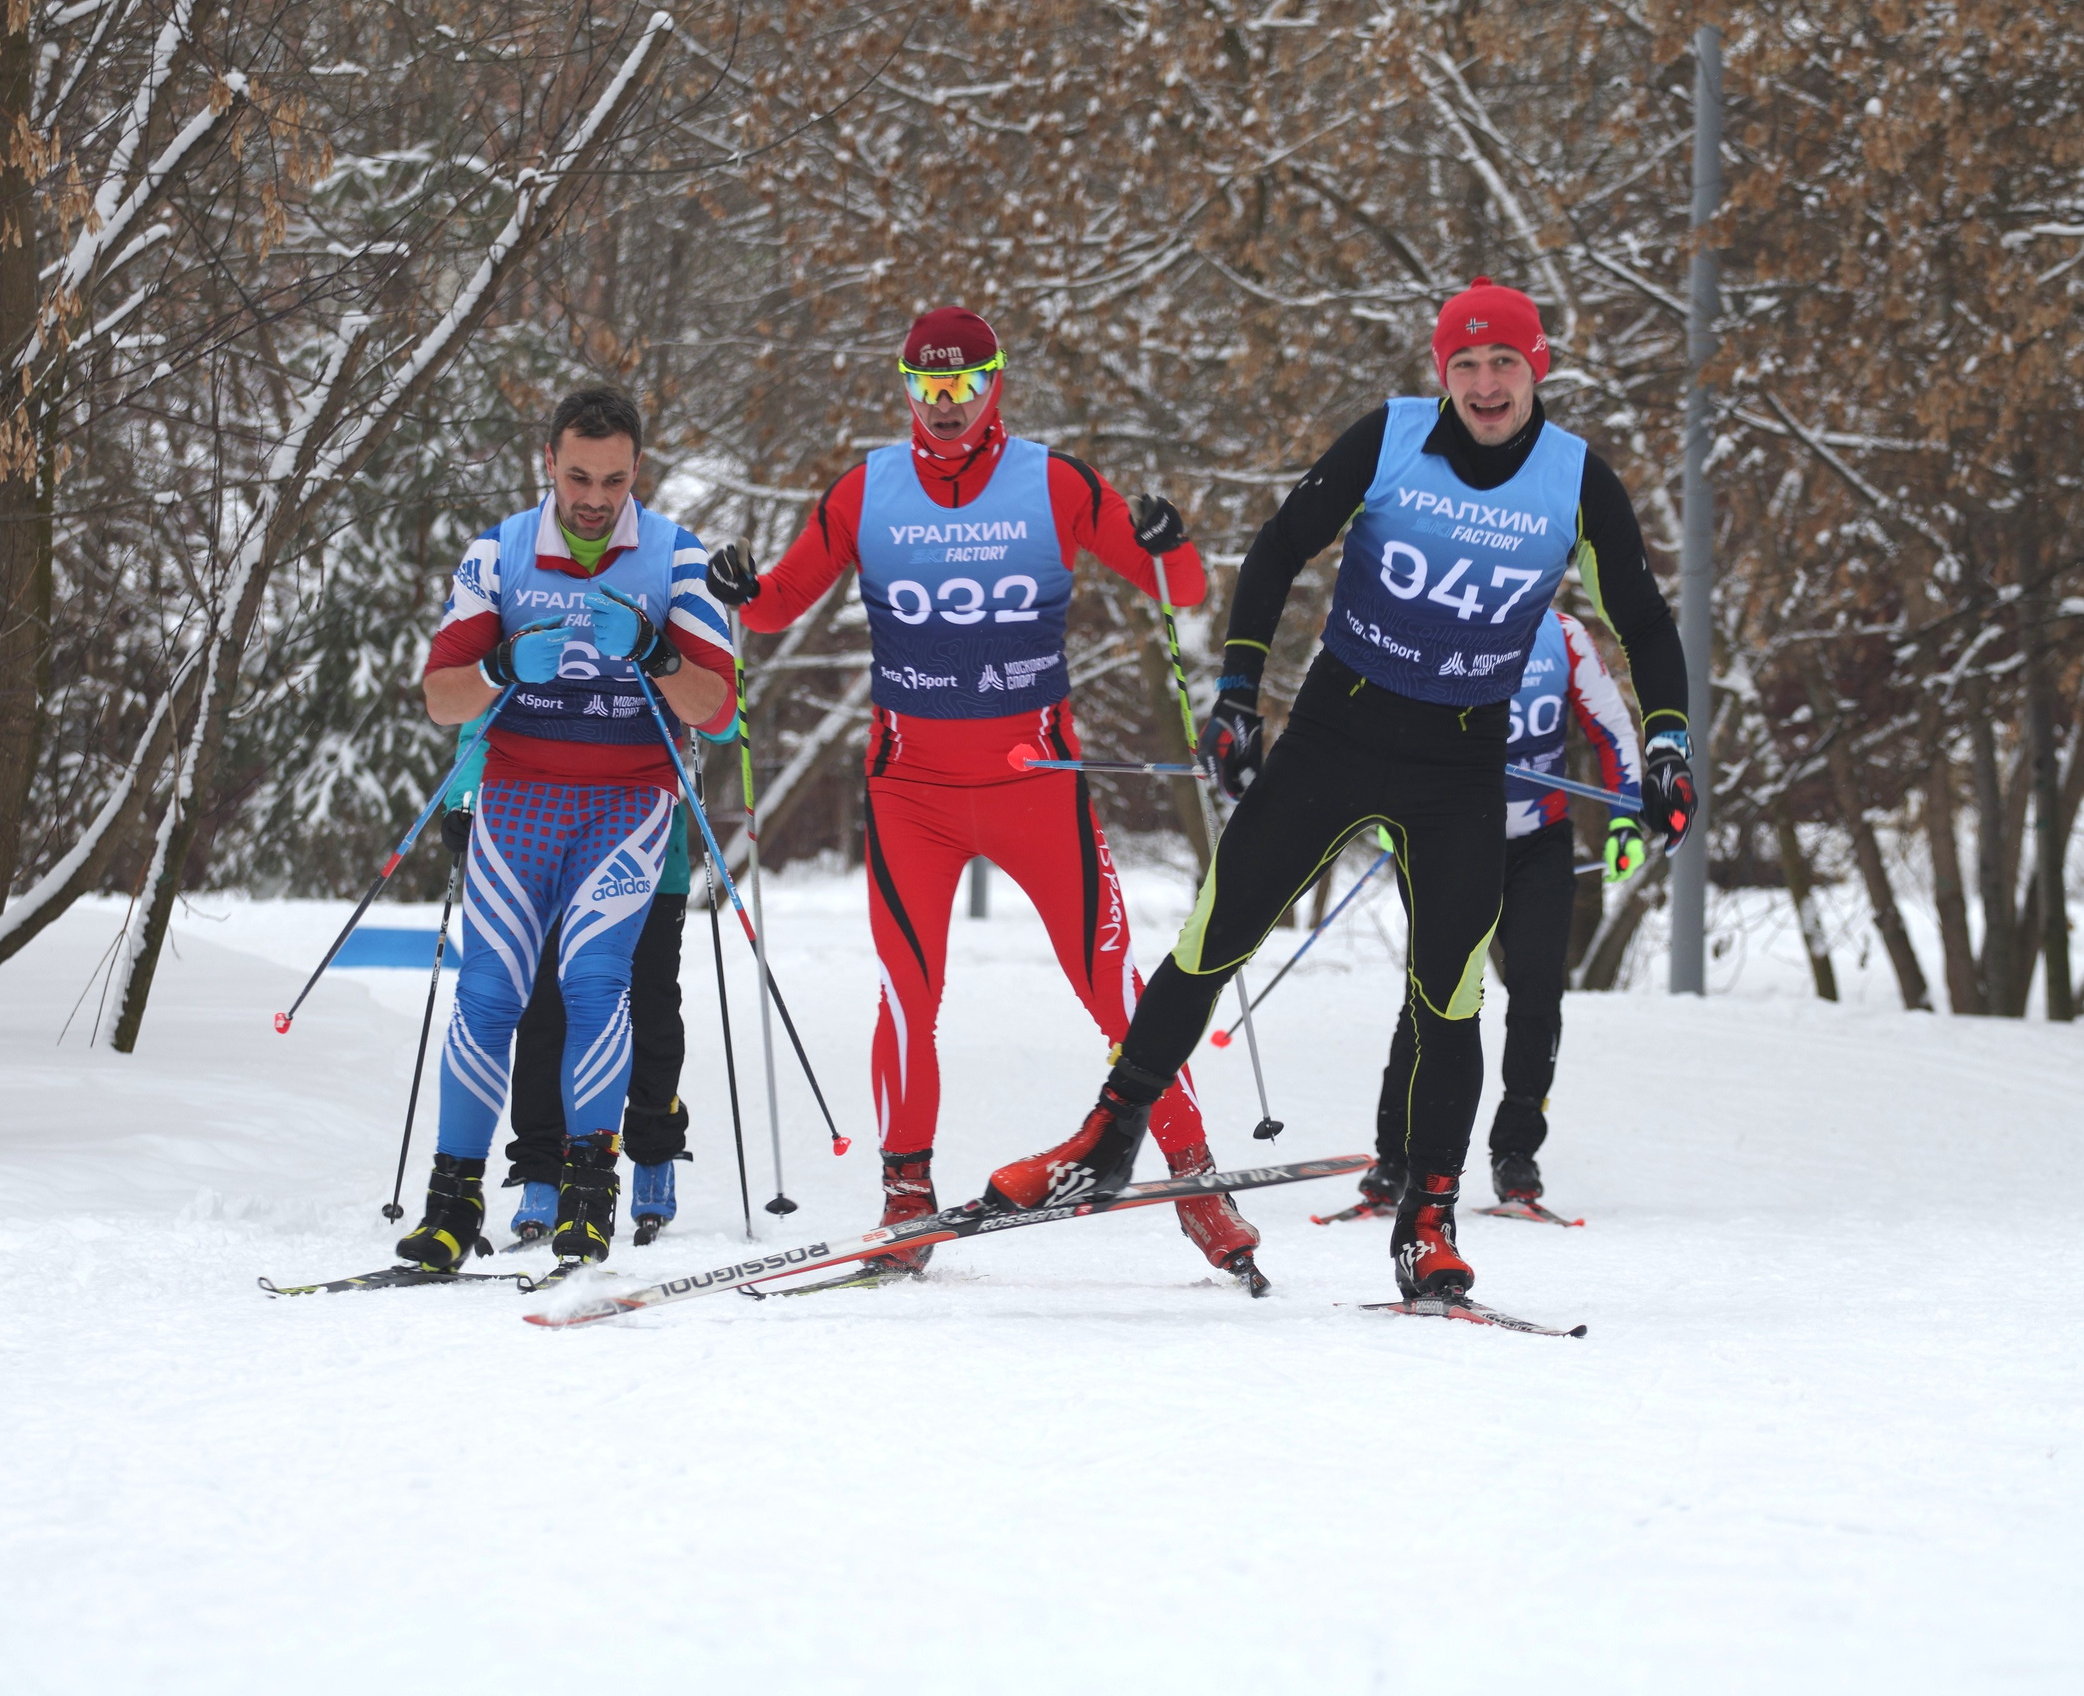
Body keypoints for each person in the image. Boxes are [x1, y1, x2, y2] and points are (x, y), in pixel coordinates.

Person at [972, 277, 1696, 1305]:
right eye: (1465, 365)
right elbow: (1277, 548)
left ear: (1538, 368)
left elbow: (1644, 621)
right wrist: (1235, 693)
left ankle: (1428, 1220)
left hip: (1459, 766)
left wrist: (1664, 748)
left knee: (1448, 993)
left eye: (1504, 364)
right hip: (1337, 732)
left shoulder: (1577, 481)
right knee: (1212, 938)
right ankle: (1110, 1130)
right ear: (1440, 372)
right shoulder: (1393, 438)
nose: (1485, 385)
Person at [704, 306, 1265, 1289]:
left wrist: (1172, 541)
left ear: (996, 382)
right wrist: (738, 587)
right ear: (905, 389)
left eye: (965, 386)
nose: (947, 405)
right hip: (910, 793)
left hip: (1033, 787)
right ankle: (906, 1197)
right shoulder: (866, 490)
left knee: (1111, 986)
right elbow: (779, 602)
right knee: (906, 995)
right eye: (928, 388)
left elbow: (1176, 592)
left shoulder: (1051, 482)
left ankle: (1193, 1180)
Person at [397, 386, 736, 1272]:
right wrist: (504, 661)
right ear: (548, 461)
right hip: (518, 796)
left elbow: (719, 705)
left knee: (594, 983)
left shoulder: (675, 555)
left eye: (613, 480)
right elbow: (441, 698)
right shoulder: (502, 551)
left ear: (638, 474)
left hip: (628, 801)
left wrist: (658, 650)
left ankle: (591, 1198)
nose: (593, 498)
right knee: (488, 993)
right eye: (578, 476)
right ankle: (450, 1203)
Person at [1350, 604, 1646, 1224]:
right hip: (1446, 835)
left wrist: (1625, 814)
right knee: (1432, 994)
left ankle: (1515, 1155)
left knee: (1538, 994)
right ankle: (1395, 1158)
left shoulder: (1563, 636)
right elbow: (1382, 722)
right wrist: (1384, 802)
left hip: (1540, 841)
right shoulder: (1431, 624)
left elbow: (1613, 727)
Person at [440, 739, 716, 1252]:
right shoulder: (533, 655)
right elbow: (484, 719)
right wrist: (465, 797)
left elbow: (700, 717)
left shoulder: (651, 655)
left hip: (645, 853)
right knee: (545, 1012)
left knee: (649, 1009)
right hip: (550, 854)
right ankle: (541, 1168)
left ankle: (653, 1148)